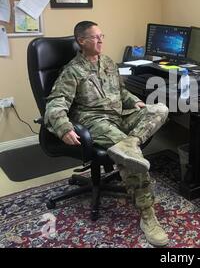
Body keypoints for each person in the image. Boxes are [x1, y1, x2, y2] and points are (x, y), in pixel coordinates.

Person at [44, 21, 169, 247]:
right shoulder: (72, 71)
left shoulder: (109, 62)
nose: (101, 40)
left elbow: (121, 91)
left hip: (119, 116)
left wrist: (135, 101)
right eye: (95, 37)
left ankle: (130, 143)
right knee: (132, 158)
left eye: (102, 36)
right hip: (95, 121)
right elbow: (55, 103)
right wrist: (64, 127)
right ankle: (147, 215)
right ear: (81, 41)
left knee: (160, 109)